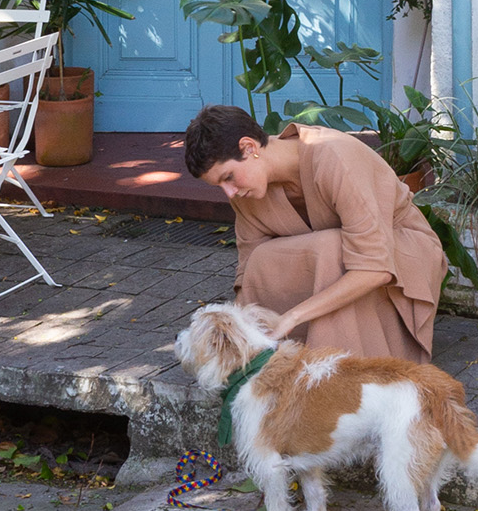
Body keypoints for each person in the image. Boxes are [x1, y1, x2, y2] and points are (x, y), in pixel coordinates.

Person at [183, 103, 447, 361]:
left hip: (400, 255)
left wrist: (293, 316)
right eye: (219, 185)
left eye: (228, 177)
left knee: (330, 249)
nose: (229, 192)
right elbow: (250, 272)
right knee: (262, 259)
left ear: (249, 147)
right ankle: (281, 365)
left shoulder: (335, 156)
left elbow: (374, 267)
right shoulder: (246, 192)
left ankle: (343, 370)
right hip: (340, 261)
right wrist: (239, 340)